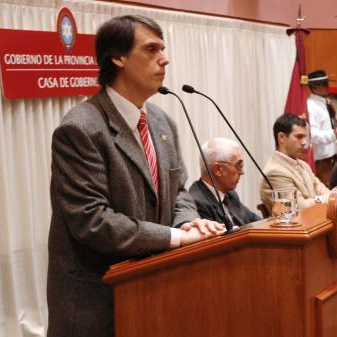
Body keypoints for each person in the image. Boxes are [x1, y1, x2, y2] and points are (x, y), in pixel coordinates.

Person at [47, 15, 225, 337]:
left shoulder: (161, 120)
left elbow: (179, 188)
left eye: (163, 48)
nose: (165, 58)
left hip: (154, 293)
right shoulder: (80, 129)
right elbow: (92, 220)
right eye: (151, 49)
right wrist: (176, 238)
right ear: (118, 58)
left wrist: (187, 220)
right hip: (97, 304)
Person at [260, 114, 330, 212]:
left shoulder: (304, 165)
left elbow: (328, 193)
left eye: (305, 137)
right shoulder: (274, 172)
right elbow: (300, 208)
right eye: (299, 137)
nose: (304, 142)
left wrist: (314, 200)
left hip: (315, 223)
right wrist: (321, 198)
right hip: (295, 225)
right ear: (281, 138)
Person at [189, 137, 261, 226]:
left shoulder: (230, 194)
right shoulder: (196, 202)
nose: (242, 172)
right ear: (218, 169)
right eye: (238, 165)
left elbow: (256, 221)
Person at [307, 69, 337, 186]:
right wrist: (332, 134)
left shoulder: (326, 104)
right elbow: (311, 134)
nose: (327, 86)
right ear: (314, 88)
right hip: (322, 161)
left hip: (333, 158)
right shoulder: (311, 106)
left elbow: (331, 126)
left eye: (327, 83)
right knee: (327, 192)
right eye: (324, 84)